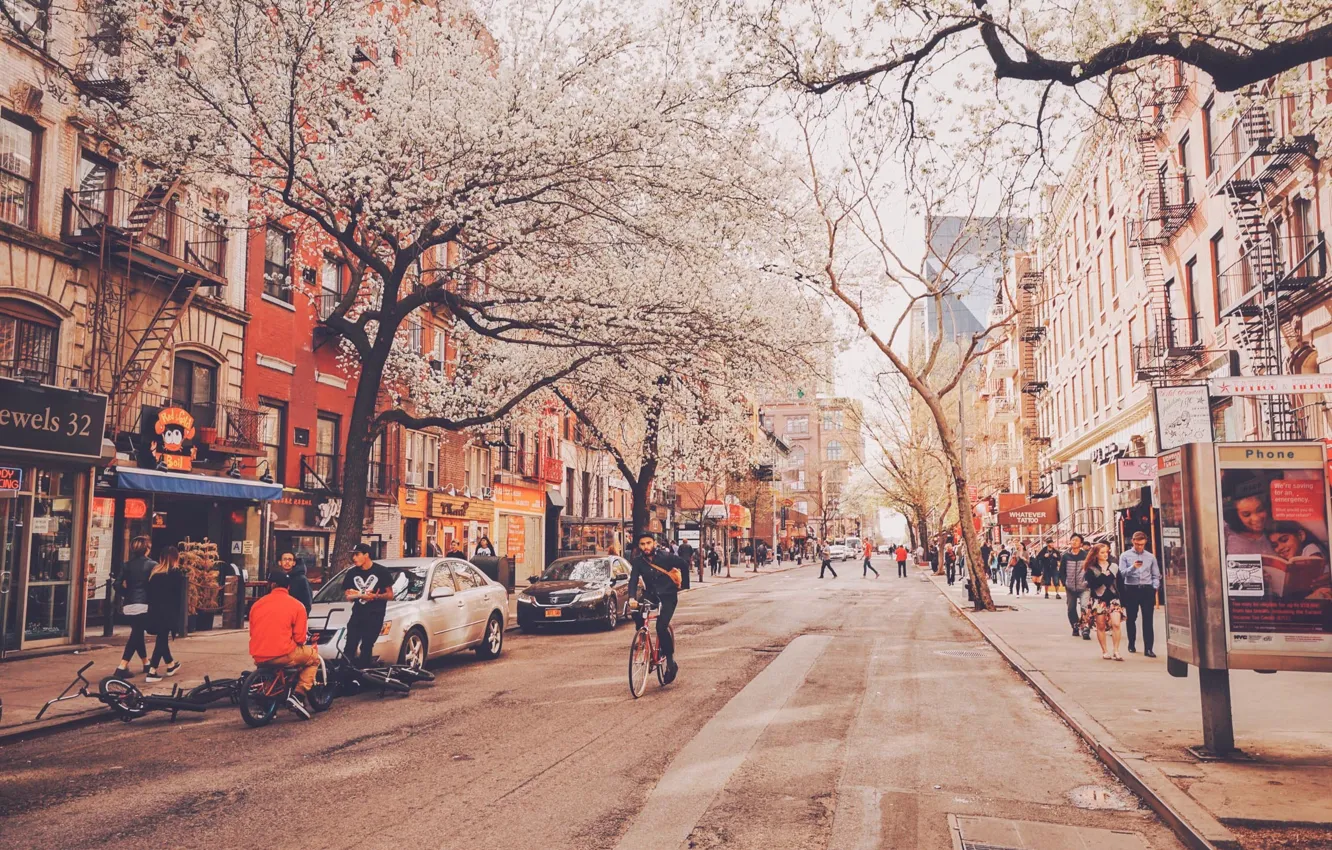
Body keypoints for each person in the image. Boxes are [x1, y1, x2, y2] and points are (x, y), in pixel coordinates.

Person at [249, 569, 321, 719]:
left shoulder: (256, 605)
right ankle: (298, 695)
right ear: (288, 587)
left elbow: (252, 631)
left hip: (259, 654)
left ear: (271, 585)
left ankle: (269, 707)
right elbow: (300, 638)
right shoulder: (297, 606)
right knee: (314, 659)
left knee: (271, 672)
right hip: (283, 654)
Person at [628, 533, 683, 682]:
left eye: (648, 543)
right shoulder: (638, 561)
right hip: (651, 595)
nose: (646, 547)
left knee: (661, 627)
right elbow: (633, 580)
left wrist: (683, 586)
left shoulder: (665, 556)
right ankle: (642, 637)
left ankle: (671, 662)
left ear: (654, 543)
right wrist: (632, 597)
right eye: (642, 544)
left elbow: (683, 563)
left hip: (668, 596)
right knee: (634, 610)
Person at [341, 543, 396, 666]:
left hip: (375, 614)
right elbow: (348, 596)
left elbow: (390, 595)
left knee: (366, 645)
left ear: (366, 555)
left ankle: (364, 673)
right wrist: (358, 595)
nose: (354, 558)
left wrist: (376, 596)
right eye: (353, 555)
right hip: (357, 614)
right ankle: (343, 675)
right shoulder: (352, 573)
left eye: (357, 555)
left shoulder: (381, 571)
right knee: (350, 645)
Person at [113, 536, 155, 680]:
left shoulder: (127, 565)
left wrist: (127, 593)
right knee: (136, 634)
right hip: (144, 604)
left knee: (137, 633)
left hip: (129, 605)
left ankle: (146, 663)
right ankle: (122, 666)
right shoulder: (152, 565)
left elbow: (116, 585)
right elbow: (156, 586)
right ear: (147, 549)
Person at [144, 546, 185, 683]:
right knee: (162, 639)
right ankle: (152, 670)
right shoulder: (176, 574)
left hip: (155, 610)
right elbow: (178, 596)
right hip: (169, 611)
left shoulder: (154, 573)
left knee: (162, 637)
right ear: (175, 558)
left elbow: (149, 594)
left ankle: (170, 664)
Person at [1118, 532, 1161, 657]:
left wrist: (1154, 587)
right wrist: (1133, 568)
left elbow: (1156, 574)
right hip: (1131, 588)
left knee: (1148, 619)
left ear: (1145, 543)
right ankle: (1131, 643)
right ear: (1133, 541)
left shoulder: (1150, 557)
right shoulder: (1125, 556)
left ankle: (1149, 648)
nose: (1139, 547)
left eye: (1142, 544)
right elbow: (1121, 574)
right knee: (1131, 618)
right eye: (1137, 544)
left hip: (1147, 589)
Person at [1084, 543, 1124, 661]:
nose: (1105, 554)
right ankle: (1105, 651)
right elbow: (1093, 585)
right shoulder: (1091, 569)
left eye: (1106, 552)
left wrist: (1124, 601)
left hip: (1113, 599)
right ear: (1096, 554)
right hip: (1099, 599)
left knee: (1116, 624)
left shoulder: (1114, 566)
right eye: (1102, 552)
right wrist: (1104, 576)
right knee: (1100, 625)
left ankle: (1116, 650)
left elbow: (1119, 584)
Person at [1223, 483, 1275, 556]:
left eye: (1260, 510)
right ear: (1235, 515)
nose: (1256, 518)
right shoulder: (1226, 534)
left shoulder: (1274, 529)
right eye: (1246, 514)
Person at [1062, 533, 1090, 638]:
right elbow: (1062, 571)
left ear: (1081, 543)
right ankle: (1075, 627)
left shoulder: (1086, 555)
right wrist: (1064, 582)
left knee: (1085, 607)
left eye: (1076, 540)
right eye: (1072, 540)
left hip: (1084, 587)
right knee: (1071, 608)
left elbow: (1090, 569)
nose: (1074, 542)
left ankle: (1085, 628)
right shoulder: (1065, 556)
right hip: (1070, 587)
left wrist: (1087, 581)